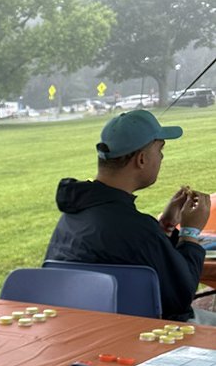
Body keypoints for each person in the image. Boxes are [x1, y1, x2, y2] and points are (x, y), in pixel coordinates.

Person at [45, 109, 213, 323]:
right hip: (144, 331)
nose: (161, 157)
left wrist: (165, 226)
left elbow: (132, 255)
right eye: (160, 150)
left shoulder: (73, 215)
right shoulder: (137, 229)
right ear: (141, 159)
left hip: (87, 328)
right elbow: (180, 297)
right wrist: (190, 233)